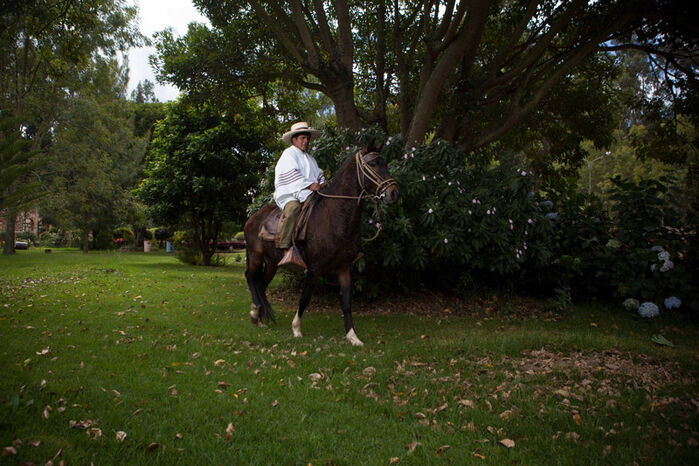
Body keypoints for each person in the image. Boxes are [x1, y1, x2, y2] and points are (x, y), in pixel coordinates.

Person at [273, 122, 325, 270]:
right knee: (293, 210)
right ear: (294, 139)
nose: (306, 141)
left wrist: (323, 181)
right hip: (290, 193)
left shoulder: (310, 158)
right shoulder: (288, 154)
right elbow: (291, 174)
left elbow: (318, 173)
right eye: (302, 138)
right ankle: (284, 247)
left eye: (307, 138)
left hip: (307, 193)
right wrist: (310, 185)